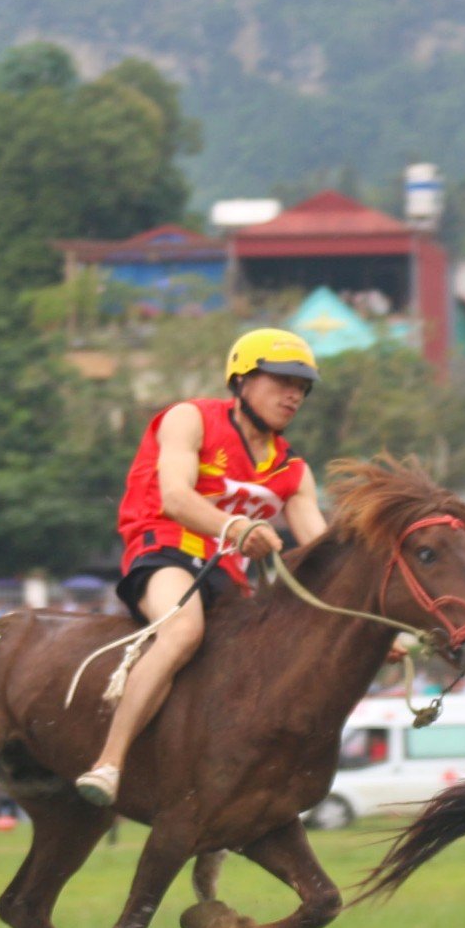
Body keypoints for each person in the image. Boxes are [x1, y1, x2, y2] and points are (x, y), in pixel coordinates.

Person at [76, 327, 328, 808]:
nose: (294, 394)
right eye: (282, 381)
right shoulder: (189, 419)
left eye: (302, 386)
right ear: (241, 381)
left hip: (227, 575)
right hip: (165, 549)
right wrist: (238, 529)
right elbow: (174, 497)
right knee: (184, 629)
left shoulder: (293, 470)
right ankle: (109, 762)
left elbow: (321, 550)